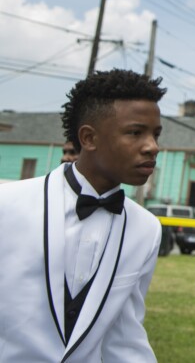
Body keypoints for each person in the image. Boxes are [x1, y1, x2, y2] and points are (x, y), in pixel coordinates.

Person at [0, 69, 165, 361]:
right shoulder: (7, 204)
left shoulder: (146, 229)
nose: (152, 147)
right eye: (135, 132)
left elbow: (125, 333)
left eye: (155, 134)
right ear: (89, 138)